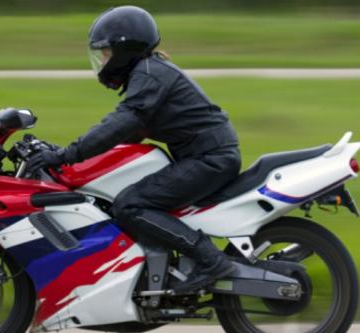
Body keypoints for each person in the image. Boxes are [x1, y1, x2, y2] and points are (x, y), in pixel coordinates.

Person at [28, 6, 241, 291]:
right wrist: (68, 155)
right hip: (206, 155)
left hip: (210, 159)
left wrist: (66, 155)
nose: (103, 61)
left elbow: (120, 123)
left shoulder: (150, 74)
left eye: (106, 53)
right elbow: (124, 134)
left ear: (125, 49)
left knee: (130, 205)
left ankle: (212, 261)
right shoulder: (149, 72)